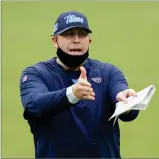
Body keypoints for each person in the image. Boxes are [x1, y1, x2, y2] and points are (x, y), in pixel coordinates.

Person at [19, 11, 140, 158]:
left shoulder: (108, 72)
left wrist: (127, 102)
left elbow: (127, 107)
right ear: (54, 40)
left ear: (89, 40)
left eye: (82, 34)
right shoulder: (36, 74)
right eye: (69, 34)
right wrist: (72, 94)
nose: (76, 40)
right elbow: (34, 104)